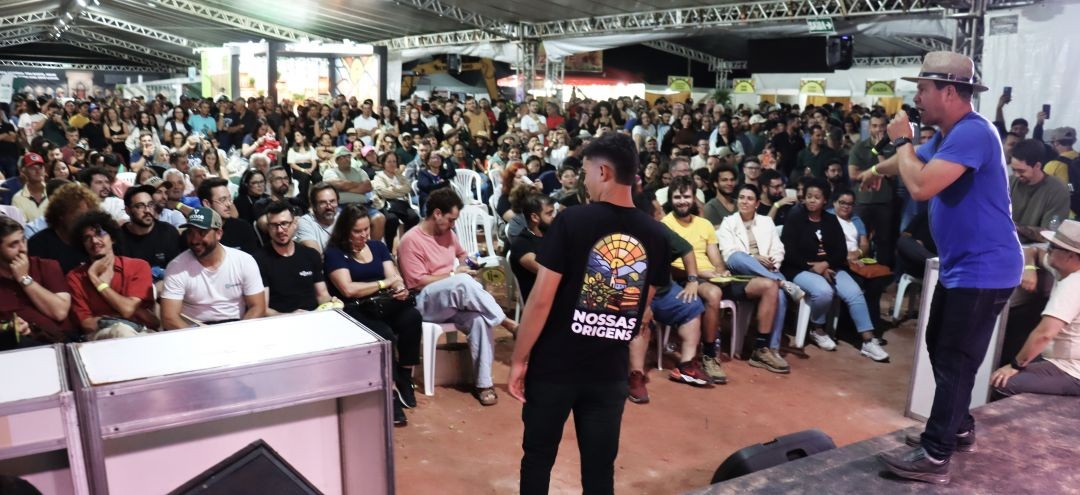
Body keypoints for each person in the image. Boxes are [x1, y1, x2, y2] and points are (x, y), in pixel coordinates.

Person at [870, 52, 1023, 484]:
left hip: (984, 270)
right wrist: (874, 170)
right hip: (965, 269)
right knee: (941, 348)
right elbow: (909, 164)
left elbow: (919, 184)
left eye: (922, 88)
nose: (916, 97)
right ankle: (956, 427)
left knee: (954, 359)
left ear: (949, 91)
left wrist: (901, 143)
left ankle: (936, 454)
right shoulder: (950, 134)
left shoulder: (974, 133)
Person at [508, 132, 669, 494]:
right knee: (600, 472)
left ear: (604, 171)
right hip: (610, 371)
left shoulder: (572, 221)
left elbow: (540, 300)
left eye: (585, 172)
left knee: (537, 459)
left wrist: (519, 360)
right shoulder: (656, 235)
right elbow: (643, 313)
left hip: (555, 367)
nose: (583, 180)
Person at [398, 188, 517, 406]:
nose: (453, 224)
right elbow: (417, 282)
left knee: (480, 320)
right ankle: (507, 322)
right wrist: (454, 274)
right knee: (461, 282)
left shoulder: (449, 234)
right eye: (451, 219)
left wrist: (469, 264)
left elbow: (462, 256)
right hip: (424, 302)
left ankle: (483, 384)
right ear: (437, 213)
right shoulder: (410, 240)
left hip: (453, 298)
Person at [324, 204, 422, 427]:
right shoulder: (335, 253)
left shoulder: (377, 247)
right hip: (354, 309)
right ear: (345, 231)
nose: (364, 235)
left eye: (366, 229)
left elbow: (394, 277)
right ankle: (392, 389)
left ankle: (405, 375)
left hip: (384, 305)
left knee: (412, 318)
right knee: (385, 334)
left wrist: (397, 287)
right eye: (357, 231)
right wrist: (383, 283)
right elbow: (348, 289)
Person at [780, 179, 888, 361]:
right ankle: (817, 328)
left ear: (825, 201)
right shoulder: (795, 218)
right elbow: (788, 252)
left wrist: (826, 265)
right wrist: (814, 268)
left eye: (817, 197)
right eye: (809, 197)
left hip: (830, 267)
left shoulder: (831, 220)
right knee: (823, 292)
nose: (812, 201)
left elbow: (841, 251)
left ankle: (868, 341)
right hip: (800, 267)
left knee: (854, 293)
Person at [989, 220, 1080, 398]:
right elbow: (1033, 250)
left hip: (1072, 370)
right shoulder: (1065, 269)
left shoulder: (1073, 285)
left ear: (1070, 256)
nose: (1048, 249)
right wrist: (1029, 268)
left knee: (1003, 381)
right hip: (1061, 360)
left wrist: (1015, 366)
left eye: (1053, 246)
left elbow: (1044, 334)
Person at [717, 184, 800, 372]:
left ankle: (771, 349)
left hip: (767, 272)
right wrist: (754, 259)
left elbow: (778, 249)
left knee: (778, 295)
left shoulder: (766, 222)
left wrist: (772, 263)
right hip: (740, 274)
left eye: (749, 198)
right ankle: (782, 283)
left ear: (757, 204)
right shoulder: (729, 222)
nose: (744, 202)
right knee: (737, 256)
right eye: (742, 197)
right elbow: (728, 253)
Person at [160, 207, 265, 328]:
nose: (194, 240)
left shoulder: (244, 261)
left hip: (236, 325)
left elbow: (258, 307)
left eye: (202, 233)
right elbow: (169, 318)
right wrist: (199, 339)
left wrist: (239, 333)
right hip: (194, 330)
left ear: (219, 233)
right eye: (190, 233)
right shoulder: (176, 267)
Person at [66, 210, 158, 339]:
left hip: (141, 333)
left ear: (113, 238)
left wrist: (94, 278)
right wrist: (113, 321)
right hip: (99, 337)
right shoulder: (75, 277)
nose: (94, 241)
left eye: (100, 234)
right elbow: (86, 323)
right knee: (120, 330)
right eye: (87, 238)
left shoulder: (138, 266)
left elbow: (127, 309)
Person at [0, 216, 72, 348]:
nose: (23, 249)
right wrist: (9, 328)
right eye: (13, 244)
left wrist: (24, 279)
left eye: (23, 240)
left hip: (59, 343)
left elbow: (60, 312)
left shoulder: (47, 266)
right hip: (15, 350)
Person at [254, 201, 331, 314]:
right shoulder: (259, 260)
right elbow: (262, 309)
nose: (280, 230)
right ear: (268, 227)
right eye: (274, 225)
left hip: (313, 318)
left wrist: (331, 302)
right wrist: (289, 317)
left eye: (284, 223)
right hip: (280, 323)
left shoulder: (310, 255)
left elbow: (322, 295)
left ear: (294, 223)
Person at [1008, 138, 1070, 243]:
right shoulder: (1009, 182)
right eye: (1014, 170)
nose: (1016, 175)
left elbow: (1050, 234)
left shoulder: (1057, 190)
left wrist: (1016, 228)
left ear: (1037, 166)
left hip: (1037, 249)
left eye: (1021, 171)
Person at [28, 182, 99, 273]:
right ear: (61, 215)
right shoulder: (38, 244)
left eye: (88, 216)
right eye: (79, 216)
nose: (85, 221)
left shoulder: (94, 241)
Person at [120, 184, 181, 282]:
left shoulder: (168, 232)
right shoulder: (119, 237)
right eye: (140, 206)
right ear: (128, 210)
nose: (147, 210)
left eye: (150, 204)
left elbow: (178, 272)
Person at [322, 146, 385, 241]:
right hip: (343, 206)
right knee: (348, 221)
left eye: (348, 156)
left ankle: (373, 248)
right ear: (337, 160)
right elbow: (339, 184)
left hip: (363, 205)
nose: (346, 159)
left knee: (379, 218)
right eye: (343, 157)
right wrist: (359, 187)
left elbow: (368, 187)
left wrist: (345, 187)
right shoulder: (330, 172)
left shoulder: (359, 171)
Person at [508, 191, 554, 301]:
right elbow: (543, 270)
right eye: (549, 214)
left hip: (557, 293)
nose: (553, 217)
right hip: (540, 301)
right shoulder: (522, 244)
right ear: (534, 217)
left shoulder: (551, 234)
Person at [196, 177, 260, 254]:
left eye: (229, 199)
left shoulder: (243, 228)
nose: (229, 204)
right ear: (207, 204)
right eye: (222, 200)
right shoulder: (195, 234)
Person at [372, 152, 419, 249]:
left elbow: (408, 188)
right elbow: (383, 192)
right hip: (388, 204)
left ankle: (406, 244)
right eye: (389, 161)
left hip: (402, 204)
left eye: (394, 161)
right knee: (391, 219)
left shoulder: (399, 175)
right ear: (383, 163)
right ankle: (389, 248)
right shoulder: (379, 176)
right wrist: (400, 190)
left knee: (414, 217)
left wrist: (394, 188)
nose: (392, 164)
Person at [297, 182, 339, 254]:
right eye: (323, 203)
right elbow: (316, 257)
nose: (329, 207)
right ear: (313, 206)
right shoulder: (306, 222)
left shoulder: (344, 219)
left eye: (332, 201)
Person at [10, 153, 49, 224]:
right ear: (23, 171)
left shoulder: (54, 192)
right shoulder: (17, 199)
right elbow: (21, 227)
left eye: (40, 167)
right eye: (32, 168)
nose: (38, 171)